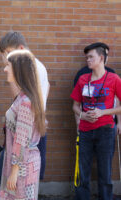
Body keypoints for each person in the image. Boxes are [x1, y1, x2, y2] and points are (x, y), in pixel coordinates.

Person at [0, 31, 50, 187]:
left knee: (13, 182)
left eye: (8, 53)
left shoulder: (31, 68)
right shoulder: (38, 65)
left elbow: (20, 99)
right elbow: (46, 88)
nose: (6, 59)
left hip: (25, 133)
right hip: (28, 130)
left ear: (20, 48)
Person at [71, 43, 121, 200]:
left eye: (91, 57)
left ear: (101, 58)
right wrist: (82, 116)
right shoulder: (82, 79)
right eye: (87, 57)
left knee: (105, 173)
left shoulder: (114, 79)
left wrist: (103, 112)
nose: (88, 60)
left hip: (105, 130)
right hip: (85, 131)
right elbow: (75, 106)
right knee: (82, 172)